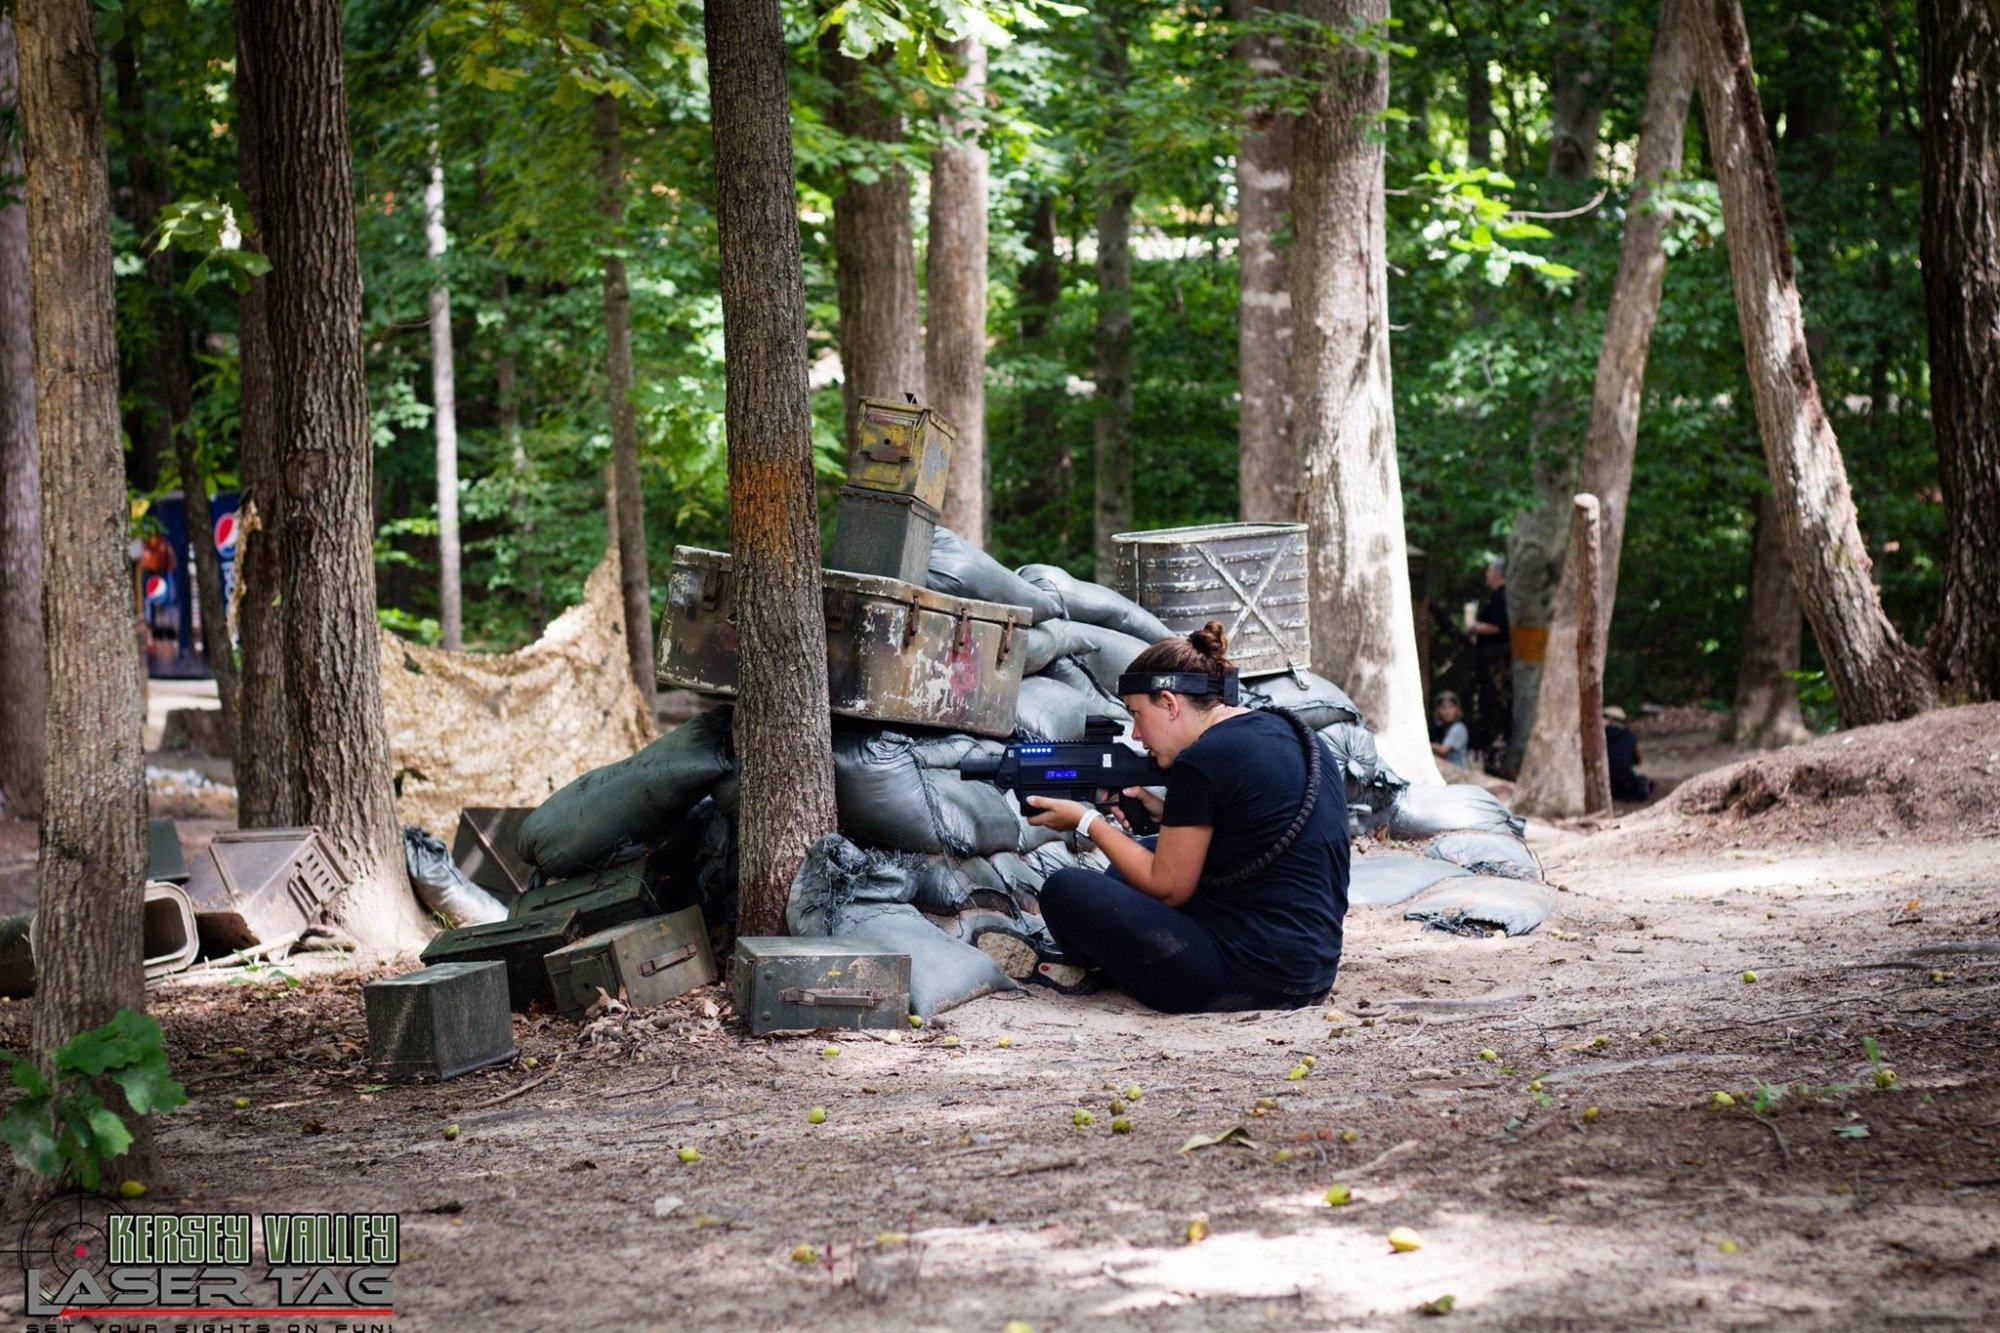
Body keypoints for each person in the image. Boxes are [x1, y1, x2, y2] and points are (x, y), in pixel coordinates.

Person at [1021, 622, 1349, 1014]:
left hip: (1250, 979)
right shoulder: (1293, 733)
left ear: (1170, 703)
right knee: (1139, 856)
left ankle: (1095, 963)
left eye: (1138, 715)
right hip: (1311, 970)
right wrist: (1168, 814)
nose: (1138, 735)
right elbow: (1254, 834)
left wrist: (1087, 821)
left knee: (1065, 890)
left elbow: (1169, 888)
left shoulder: (1202, 760)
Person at [1603, 706, 1654, 801]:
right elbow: (1638, 761)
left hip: (1605, 787)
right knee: (1647, 782)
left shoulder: (1598, 736)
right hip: (1626, 787)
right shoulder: (1629, 736)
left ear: (1609, 719)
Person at [1430, 691, 1469, 767]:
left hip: (1458, 772)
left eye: (1451, 707)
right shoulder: (1442, 728)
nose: (1448, 711)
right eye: (1443, 707)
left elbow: (1443, 749)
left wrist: (1423, 744)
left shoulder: (1458, 728)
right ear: (1438, 711)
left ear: (1456, 710)